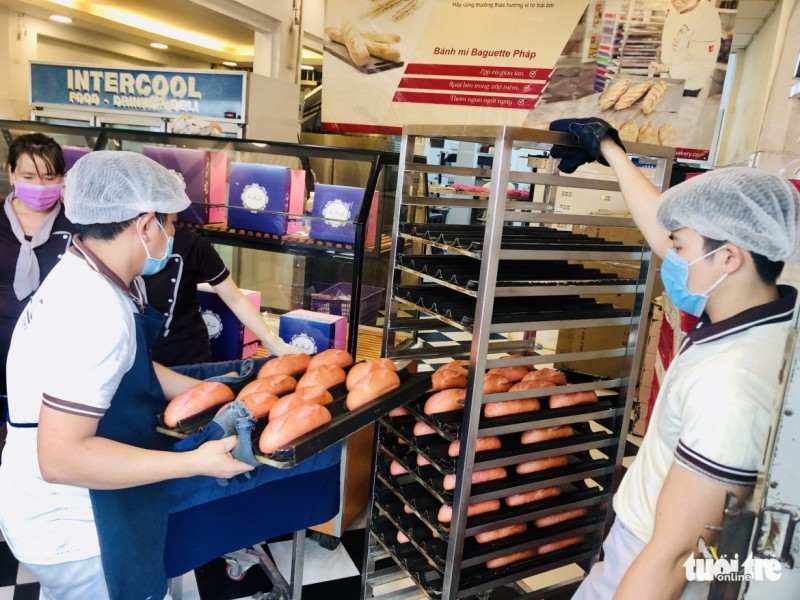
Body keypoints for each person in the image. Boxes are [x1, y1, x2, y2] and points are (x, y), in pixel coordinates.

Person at [548, 118, 800, 599]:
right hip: (649, 546)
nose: (670, 259)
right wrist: (611, 150)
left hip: (657, 565)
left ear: (729, 258)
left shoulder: (733, 381)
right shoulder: (757, 312)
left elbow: (679, 553)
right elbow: (666, 230)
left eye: (680, 249)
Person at [0, 151, 254, 600]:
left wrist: (208, 391)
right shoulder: (93, 310)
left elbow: (124, 366)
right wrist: (194, 463)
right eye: (170, 224)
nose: (173, 236)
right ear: (144, 224)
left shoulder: (85, 269)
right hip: (77, 525)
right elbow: (61, 459)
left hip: (48, 505)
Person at [139, 225, 299, 367]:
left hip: (190, 358)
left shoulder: (192, 244)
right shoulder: (122, 252)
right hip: (140, 359)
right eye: (166, 221)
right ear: (146, 223)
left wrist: (271, 340)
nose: (173, 226)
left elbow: (234, 297)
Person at [0, 133, 73, 414]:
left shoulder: (77, 224)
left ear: (62, 178)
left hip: (50, 359)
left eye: (49, 176)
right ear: (11, 172)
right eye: (28, 177)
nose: (40, 186)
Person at [649, 0, 723, 97]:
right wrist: (666, 47)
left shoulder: (708, 19)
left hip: (687, 84)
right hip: (667, 76)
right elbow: (676, 31)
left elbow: (703, 64)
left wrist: (668, 70)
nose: (677, 2)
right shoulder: (673, 4)